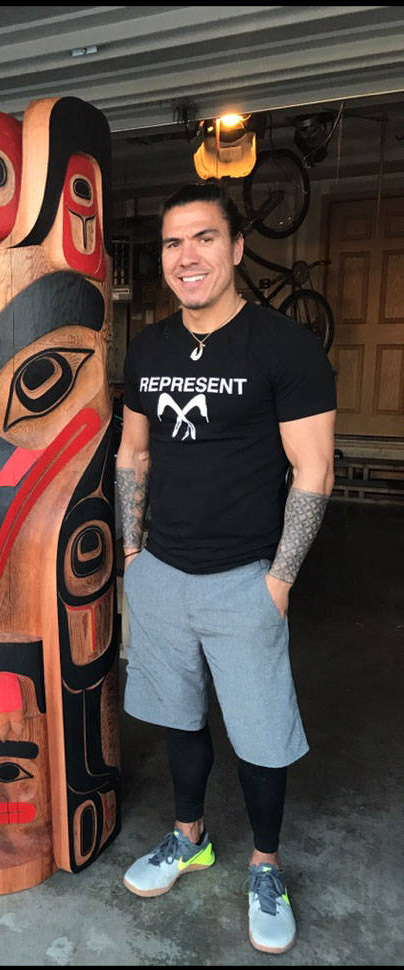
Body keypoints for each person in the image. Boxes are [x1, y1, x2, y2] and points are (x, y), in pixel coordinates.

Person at [116, 180, 336, 954]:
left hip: (244, 579)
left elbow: (313, 469)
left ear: (236, 248)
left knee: (261, 739)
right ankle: (189, 839)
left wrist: (279, 581)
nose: (187, 256)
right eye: (173, 243)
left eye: (203, 238)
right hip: (161, 573)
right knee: (178, 722)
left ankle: (265, 866)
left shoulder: (284, 347)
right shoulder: (148, 348)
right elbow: (133, 452)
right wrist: (131, 552)